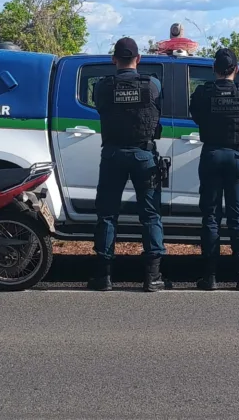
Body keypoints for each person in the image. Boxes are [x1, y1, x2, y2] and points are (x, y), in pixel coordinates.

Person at [87, 37, 167, 292]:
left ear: (114, 60)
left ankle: (103, 276)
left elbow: (100, 108)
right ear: (138, 59)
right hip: (144, 156)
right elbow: (158, 110)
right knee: (150, 216)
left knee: (107, 216)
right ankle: (153, 277)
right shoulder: (152, 84)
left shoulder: (102, 87)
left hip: (112, 155)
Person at [189, 48, 239, 291]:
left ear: (213, 69)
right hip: (237, 156)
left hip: (212, 155)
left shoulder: (202, 92)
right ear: (236, 70)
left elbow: (195, 116)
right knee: (237, 216)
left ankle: (210, 277)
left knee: (211, 217)